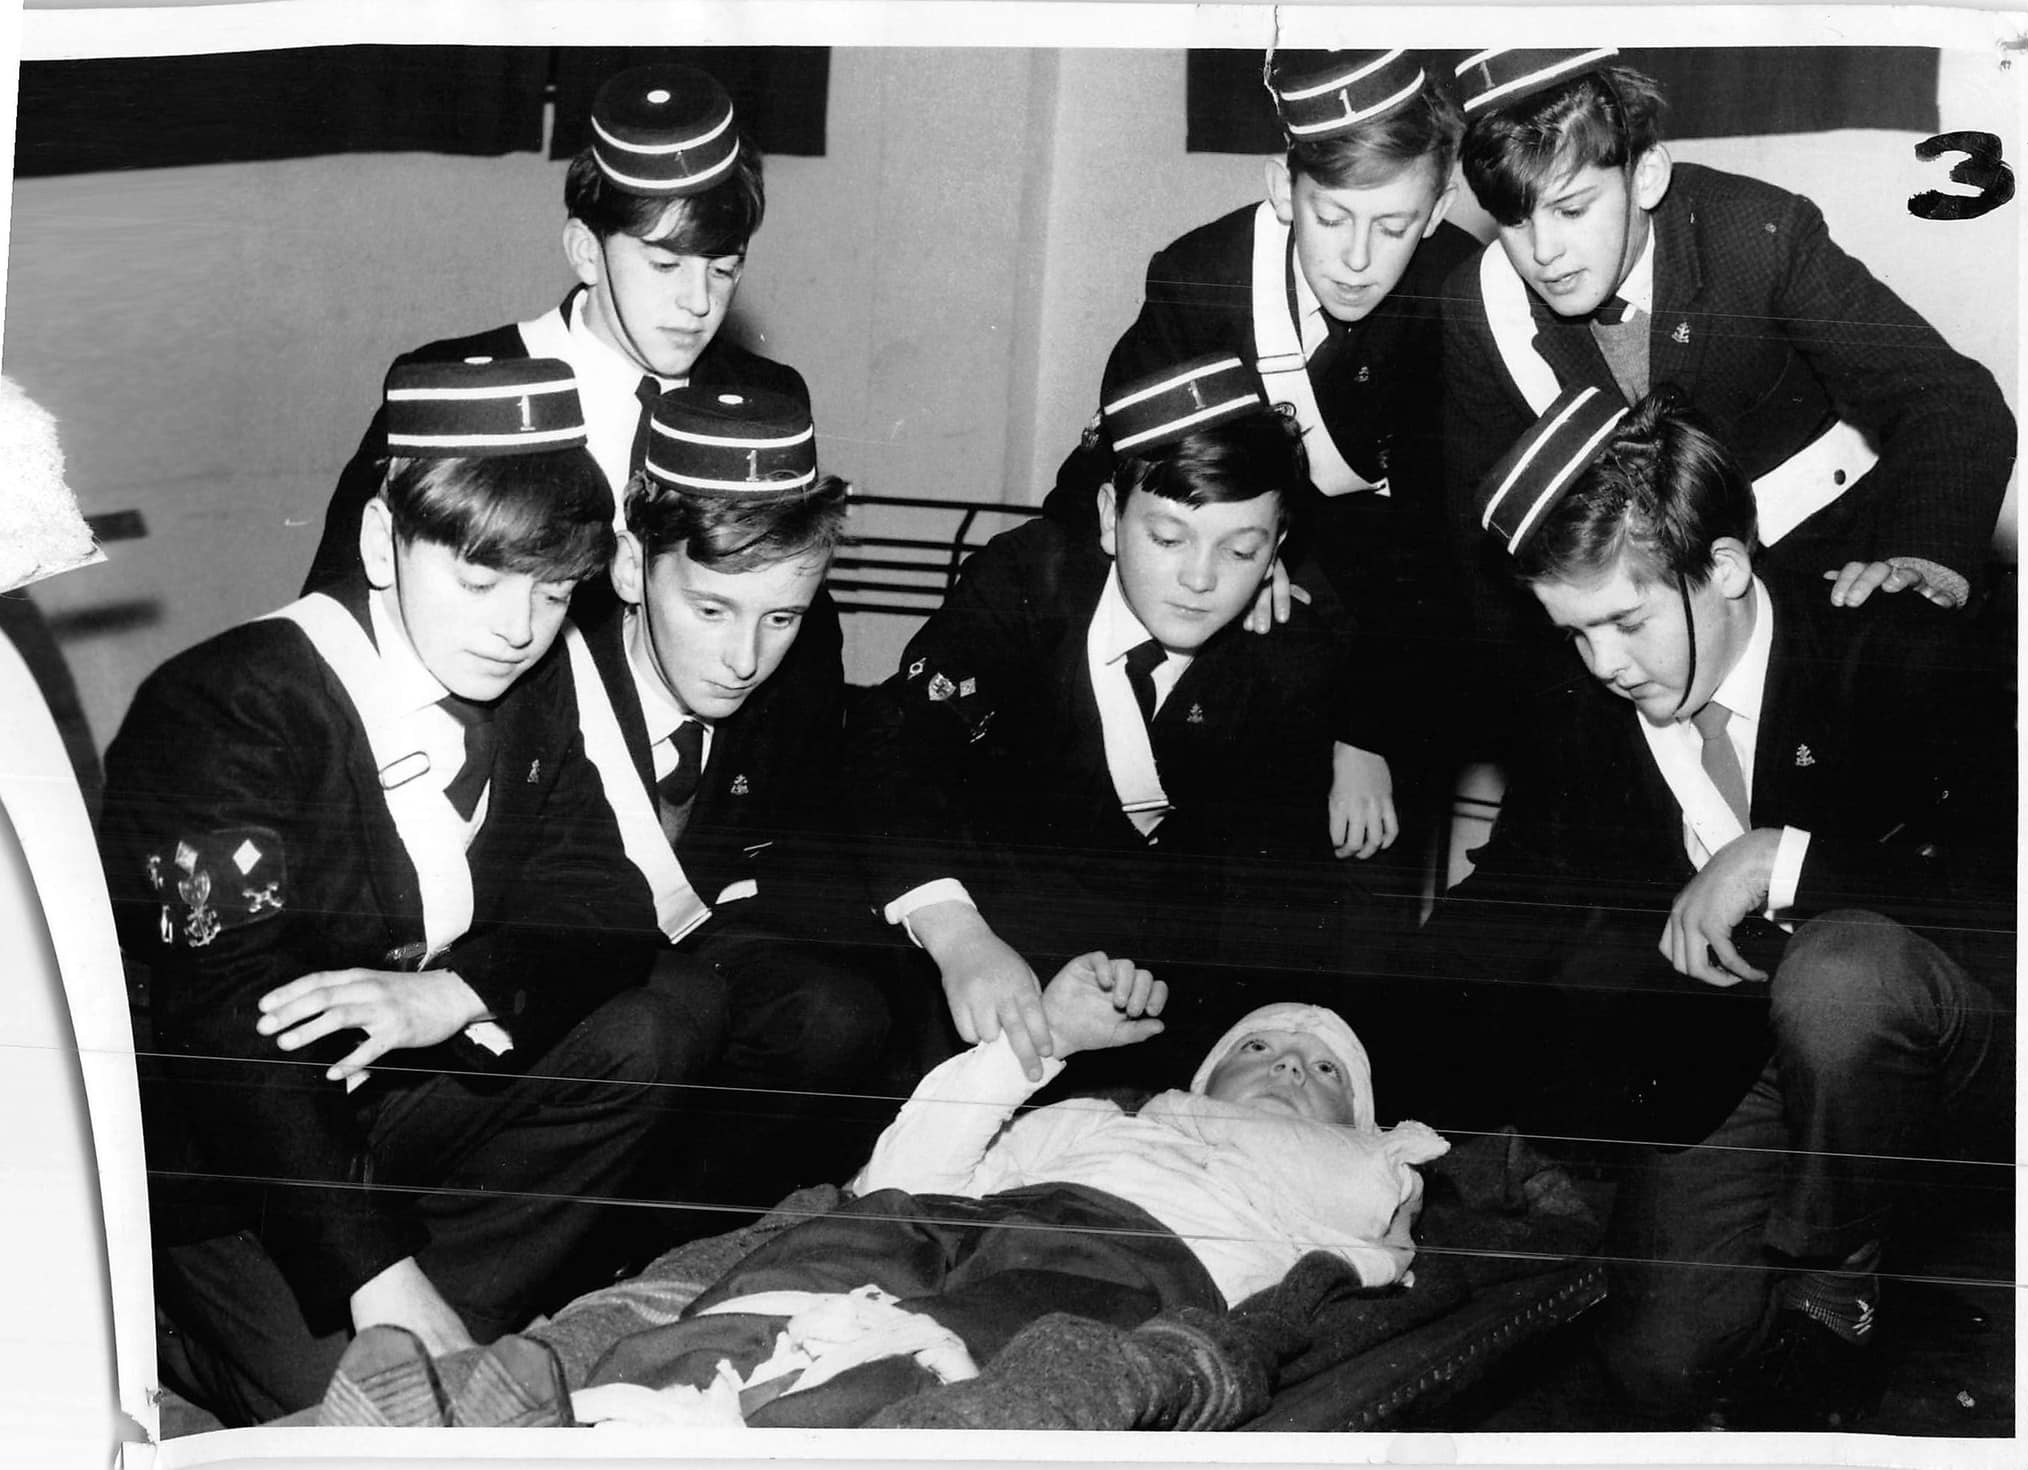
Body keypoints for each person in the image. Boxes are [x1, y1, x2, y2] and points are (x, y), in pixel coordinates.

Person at [100, 359, 694, 1424]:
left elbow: (602, 894)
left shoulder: (526, 668)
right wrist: (371, 1274)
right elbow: (225, 1030)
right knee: (335, 1404)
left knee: (662, 1028)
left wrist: (454, 994)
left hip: (393, 1098)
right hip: (230, 1159)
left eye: (552, 593)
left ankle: (435, 1313)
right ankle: (182, 1323)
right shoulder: (224, 707)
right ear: (382, 543)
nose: (518, 626)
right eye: (479, 581)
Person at [1414, 383, 2012, 1428]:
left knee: (1840, 978)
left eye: (1625, 621)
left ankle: (1836, 1285)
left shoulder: (1894, 646)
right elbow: (1502, 902)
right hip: (1742, 1063)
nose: (1603, 665)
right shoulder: (1583, 703)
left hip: (1944, 1050)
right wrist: (1318, 1036)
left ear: (1724, 568)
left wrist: (1783, 860)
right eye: (1572, 633)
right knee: (1661, 1367)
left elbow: (2012, 900)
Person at [567, 960, 1448, 1427]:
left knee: (993, 1333)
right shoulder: (1105, 1120)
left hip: (1144, 1270)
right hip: (995, 1215)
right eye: (1256, 1050)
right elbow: (906, 1179)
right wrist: (1030, 1050)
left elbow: (1362, 1274)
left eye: (1326, 1069)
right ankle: (640, 1403)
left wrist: (1389, 1187)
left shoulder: (1356, 1178)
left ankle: (798, 1434)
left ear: (1356, 1119)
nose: (1289, 1062)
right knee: (855, 1238)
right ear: (1208, 1076)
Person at [1438, 47, 2017, 710]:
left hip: (1824, 575)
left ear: (1647, 176)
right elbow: (1484, 547)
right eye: (1515, 218)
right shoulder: (1479, 307)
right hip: (1633, 633)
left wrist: (1920, 561)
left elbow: (1949, 398)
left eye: (1572, 209)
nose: (1543, 253)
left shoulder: (1758, 235)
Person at [860, 352, 1357, 1090]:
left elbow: (1266, 891)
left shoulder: (1287, 653)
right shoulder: (1025, 585)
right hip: (986, 930)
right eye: (1167, 538)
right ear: (1106, 517)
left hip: (1156, 979)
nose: (1200, 578)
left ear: (1278, 551)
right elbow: (896, 755)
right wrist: (959, 936)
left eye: (1241, 549)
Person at [1047, 48, 1481, 856]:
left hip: (1395, 625)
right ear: (1284, 188)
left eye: (1391, 227)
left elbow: (1441, 541)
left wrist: (1367, 733)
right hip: (1226, 602)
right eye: (1331, 218)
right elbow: (1111, 475)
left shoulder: (1461, 294)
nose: (1357, 260)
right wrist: (1247, 551)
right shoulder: (1201, 279)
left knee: (1368, 860)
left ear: (1437, 207)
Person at [564, 381, 895, 1205]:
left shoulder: (807, 647)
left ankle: (672, 1229)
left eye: (779, 618)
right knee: (665, 1023)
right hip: (556, 955)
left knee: (846, 1014)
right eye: (711, 608)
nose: (745, 658)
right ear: (633, 566)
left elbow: (808, 821)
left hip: (700, 937)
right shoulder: (550, 661)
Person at [303, 61, 812, 580]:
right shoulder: (452, 390)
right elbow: (342, 602)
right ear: (586, 252)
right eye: (664, 265)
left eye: (724, 269)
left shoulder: (767, 401)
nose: (699, 302)